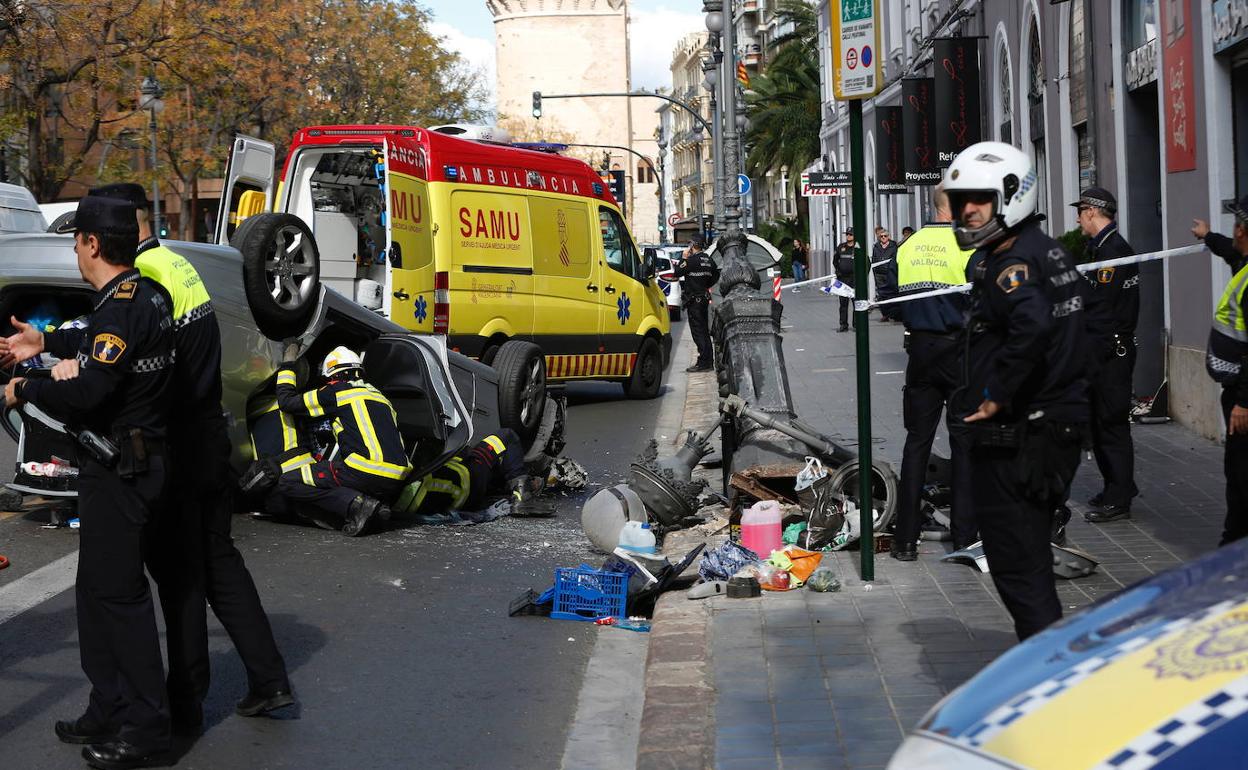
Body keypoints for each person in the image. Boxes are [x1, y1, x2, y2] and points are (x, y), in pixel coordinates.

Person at [99, 183, 294, 727]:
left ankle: (184, 700)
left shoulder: (149, 276)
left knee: (180, 575)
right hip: (209, 435)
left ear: (126, 223)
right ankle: (269, 679)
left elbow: (143, 365)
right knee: (218, 564)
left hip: (182, 445)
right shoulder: (176, 262)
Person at [2, 196, 176, 768]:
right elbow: (100, 344)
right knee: (95, 591)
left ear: (93, 245)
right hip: (120, 465)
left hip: (124, 468)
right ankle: (109, 702)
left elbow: (91, 389)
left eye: (77, 241)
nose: (75, 249)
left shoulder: (123, 305)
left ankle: (147, 725)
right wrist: (45, 343)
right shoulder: (141, 294)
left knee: (120, 598)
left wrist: (24, 388)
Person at [945, 141, 1089, 641]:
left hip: (1025, 433)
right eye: (963, 200)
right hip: (1052, 423)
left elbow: (1033, 326)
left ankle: (1050, 678)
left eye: (979, 200)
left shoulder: (1013, 263)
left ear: (1011, 195)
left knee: (1016, 562)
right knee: (1027, 559)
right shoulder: (1043, 248)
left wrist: (996, 395)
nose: (968, 210)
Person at [890, 186, 977, 561]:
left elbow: (891, 301)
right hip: (959, 350)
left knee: (916, 443)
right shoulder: (968, 244)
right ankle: (964, 537)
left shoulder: (907, 246)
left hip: (920, 351)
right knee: (963, 443)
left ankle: (906, 541)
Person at [264, 345, 412, 536]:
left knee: (289, 482)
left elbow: (286, 402)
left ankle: (355, 506)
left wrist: (288, 364)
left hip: (363, 470)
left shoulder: (337, 391)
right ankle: (373, 507)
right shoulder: (381, 398)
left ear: (333, 375)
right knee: (342, 474)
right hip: (396, 478)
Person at [1068, 188, 1140, 525]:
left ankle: (1119, 497)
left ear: (1091, 212)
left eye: (1079, 212)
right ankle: (1118, 485)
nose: (1077, 219)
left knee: (1111, 426)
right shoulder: (1099, 248)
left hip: (1111, 351)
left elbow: (1101, 307)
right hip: (1102, 349)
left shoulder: (1113, 251)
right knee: (1099, 424)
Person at [1193, 198, 1248, 546]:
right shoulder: (1243, 263)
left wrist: (1243, 401)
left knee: (1242, 475)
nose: (1234, 230)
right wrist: (1208, 236)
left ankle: (1234, 550)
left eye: (1236, 225)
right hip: (1239, 392)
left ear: (1242, 230)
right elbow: (1229, 252)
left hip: (1244, 397)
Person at [393, 428, 541, 519]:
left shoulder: (384, 485)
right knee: (507, 435)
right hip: (467, 480)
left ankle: (505, 483)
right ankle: (522, 494)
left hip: (443, 499)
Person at [674, 234, 720, 372]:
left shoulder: (691, 261)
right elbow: (715, 277)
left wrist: (683, 257)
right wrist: (704, 285)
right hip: (704, 298)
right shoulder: (709, 260)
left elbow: (677, 272)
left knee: (698, 332)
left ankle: (704, 362)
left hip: (694, 300)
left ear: (693, 245)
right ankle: (708, 360)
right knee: (704, 331)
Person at [833, 227, 859, 332]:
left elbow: (866, 263)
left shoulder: (858, 247)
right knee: (843, 304)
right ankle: (843, 325)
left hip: (854, 279)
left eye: (850, 234)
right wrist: (838, 272)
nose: (848, 236)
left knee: (856, 303)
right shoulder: (841, 247)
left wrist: (862, 276)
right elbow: (835, 261)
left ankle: (857, 325)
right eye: (847, 234)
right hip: (843, 279)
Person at [871, 228, 900, 321]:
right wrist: (875, 271)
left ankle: (895, 314)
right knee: (881, 294)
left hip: (890, 273)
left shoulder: (894, 246)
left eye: (885, 236)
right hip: (879, 274)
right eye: (881, 236)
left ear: (889, 236)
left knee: (892, 293)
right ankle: (885, 314)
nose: (883, 238)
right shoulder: (876, 246)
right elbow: (874, 259)